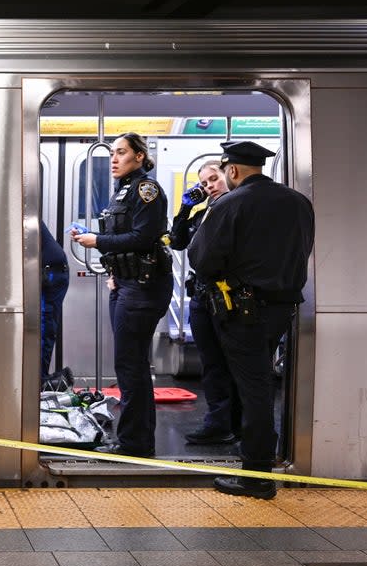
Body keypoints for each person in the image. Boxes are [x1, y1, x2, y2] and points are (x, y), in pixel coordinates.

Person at [188, 140, 315, 500]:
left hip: (244, 312)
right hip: (282, 308)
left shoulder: (230, 203)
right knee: (259, 383)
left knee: (254, 388)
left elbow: (202, 258)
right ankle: (257, 458)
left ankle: (257, 474)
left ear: (232, 170)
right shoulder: (298, 202)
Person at [72, 132, 172, 458]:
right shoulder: (123, 191)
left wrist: (96, 241)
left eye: (122, 152)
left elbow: (143, 238)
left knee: (131, 367)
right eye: (112, 153)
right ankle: (135, 439)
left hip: (143, 288)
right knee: (130, 365)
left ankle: (135, 444)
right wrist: (115, 272)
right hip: (127, 284)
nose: (114, 159)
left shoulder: (147, 190)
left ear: (139, 157)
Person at [168, 160, 240, 445]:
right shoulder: (203, 214)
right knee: (211, 363)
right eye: (205, 183)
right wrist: (185, 210)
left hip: (227, 297)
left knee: (231, 362)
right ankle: (218, 422)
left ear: (228, 176)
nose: (210, 186)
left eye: (214, 179)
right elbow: (176, 241)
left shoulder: (235, 208)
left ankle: (234, 422)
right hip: (201, 296)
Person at [39, 219, 70, 385]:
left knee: (44, 328)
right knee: (43, 328)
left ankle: (39, 380)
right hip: (50, 270)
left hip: (51, 274)